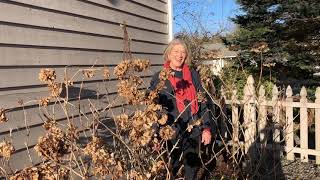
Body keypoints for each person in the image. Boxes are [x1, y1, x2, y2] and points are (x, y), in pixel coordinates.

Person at [150, 39, 213, 179]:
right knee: (171, 168)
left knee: (192, 167)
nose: (180, 55)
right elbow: (153, 109)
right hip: (169, 132)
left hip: (192, 130)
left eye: (183, 52)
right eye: (176, 51)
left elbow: (202, 102)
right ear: (168, 54)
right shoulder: (160, 77)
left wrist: (206, 129)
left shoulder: (193, 75)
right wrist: (155, 135)